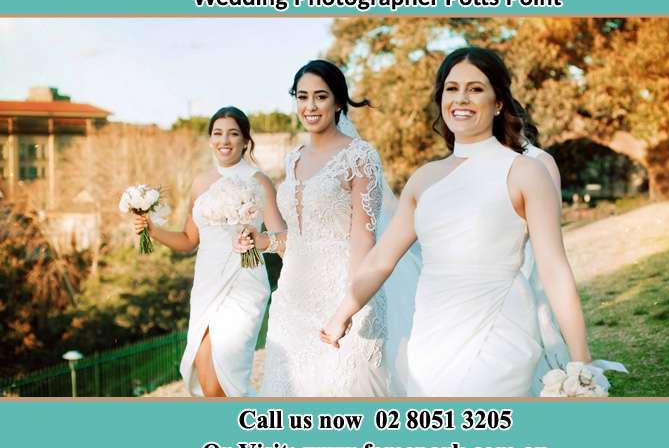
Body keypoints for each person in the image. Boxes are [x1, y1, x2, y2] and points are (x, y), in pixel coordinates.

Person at [321, 46, 594, 396]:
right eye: (452, 88)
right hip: (432, 336)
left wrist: (581, 360)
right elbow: (381, 258)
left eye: (475, 89)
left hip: (500, 330)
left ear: (498, 103)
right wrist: (343, 312)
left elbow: (555, 268)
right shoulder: (424, 179)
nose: (461, 98)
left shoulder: (525, 172)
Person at [242, 60, 389, 396]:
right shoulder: (291, 158)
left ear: (338, 102)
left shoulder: (361, 157)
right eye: (302, 96)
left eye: (320, 97)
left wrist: (350, 306)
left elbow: (364, 239)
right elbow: (298, 239)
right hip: (292, 302)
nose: (310, 106)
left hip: (343, 295)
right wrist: (260, 240)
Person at [132, 106, 284, 397]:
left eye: (233, 133)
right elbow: (190, 239)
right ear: (210, 140)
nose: (224, 140)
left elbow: (281, 237)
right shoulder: (200, 182)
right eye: (217, 133)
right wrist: (152, 229)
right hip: (206, 284)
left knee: (225, 378)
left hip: (244, 282)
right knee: (205, 380)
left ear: (245, 141)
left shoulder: (259, 181)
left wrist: (258, 239)